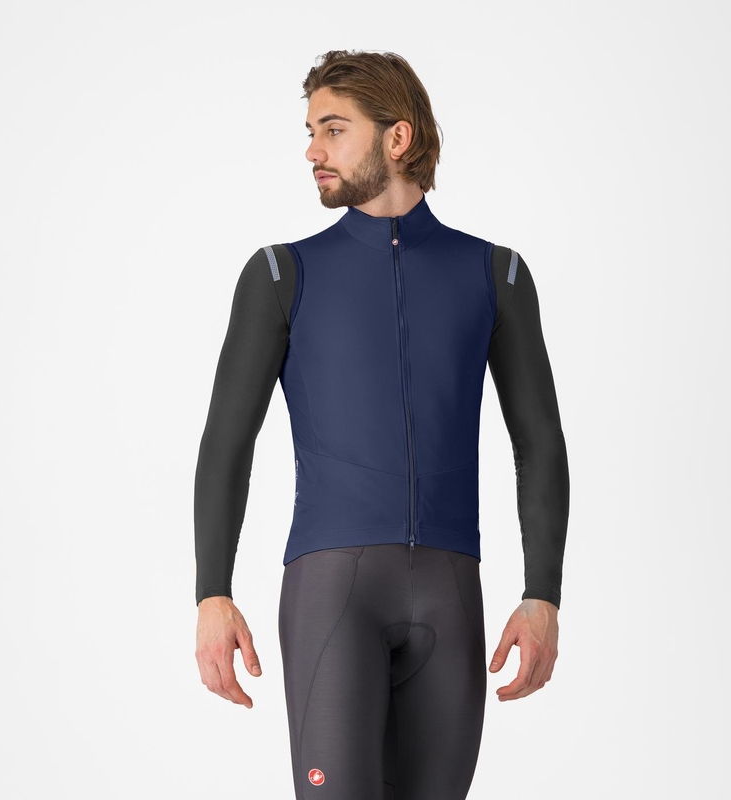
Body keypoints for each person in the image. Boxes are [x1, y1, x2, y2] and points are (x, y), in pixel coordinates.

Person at [193, 49, 570, 800]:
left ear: (397, 138)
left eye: (333, 130)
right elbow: (227, 444)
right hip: (331, 596)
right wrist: (212, 593)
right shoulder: (281, 275)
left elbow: (539, 443)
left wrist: (543, 596)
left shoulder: (495, 275)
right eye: (310, 132)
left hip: (452, 594)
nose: (313, 151)